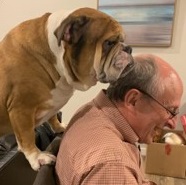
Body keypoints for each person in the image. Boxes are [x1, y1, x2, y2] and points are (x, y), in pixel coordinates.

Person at [55, 54, 183, 185]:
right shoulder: (113, 165)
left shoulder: (89, 112)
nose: (173, 124)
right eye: (171, 111)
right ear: (133, 100)